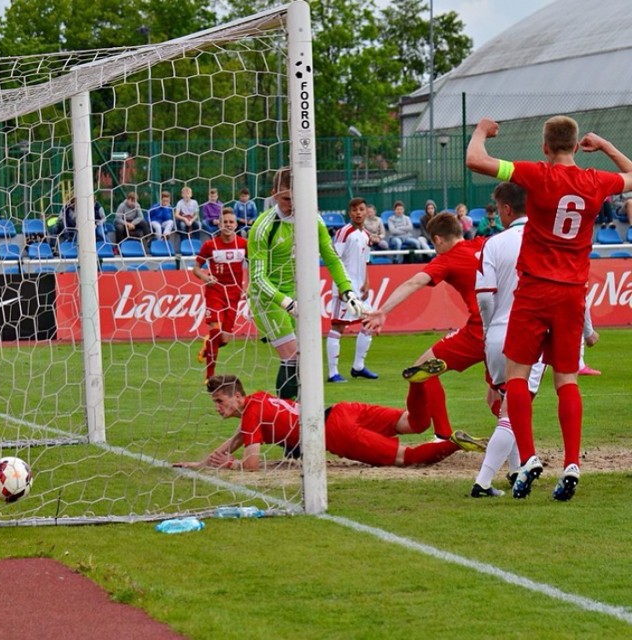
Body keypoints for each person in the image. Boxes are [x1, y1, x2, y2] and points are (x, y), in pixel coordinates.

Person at [466, 115, 632, 501]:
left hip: (536, 290)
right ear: (576, 147)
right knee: (567, 381)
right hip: (573, 294)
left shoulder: (536, 174)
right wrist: (606, 147)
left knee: (518, 376)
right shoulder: (596, 181)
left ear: (544, 147)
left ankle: (528, 459)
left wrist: (481, 131)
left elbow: (476, 160)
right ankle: (572, 462)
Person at [172, 375, 486, 471]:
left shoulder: (251, 413)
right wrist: (200, 462)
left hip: (334, 432)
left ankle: (451, 443)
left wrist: (229, 465)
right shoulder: (259, 399)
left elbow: (251, 463)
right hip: (343, 409)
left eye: (219, 401)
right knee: (413, 421)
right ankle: (418, 381)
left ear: (236, 397)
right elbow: (240, 437)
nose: (216, 408)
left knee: (407, 457)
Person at [364, 213, 487, 443]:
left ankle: (441, 434)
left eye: (433, 243)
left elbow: (414, 282)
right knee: (499, 395)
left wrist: (382, 311)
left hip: (480, 330)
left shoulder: (447, 258)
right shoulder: (483, 243)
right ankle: (516, 447)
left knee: (421, 369)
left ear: (438, 239)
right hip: (509, 327)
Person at [247, 167, 364, 403]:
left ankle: (295, 414)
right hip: (269, 299)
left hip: (298, 295)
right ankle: (285, 416)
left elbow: (331, 256)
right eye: (286, 199)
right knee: (293, 357)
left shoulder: (313, 219)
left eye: (298, 198)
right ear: (273, 195)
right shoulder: (263, 227)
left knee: (305, 360)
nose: (293, 204)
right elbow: (257, 279)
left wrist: (347, 289)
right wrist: (287, 302)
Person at [472, 182, 547, 497]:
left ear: (505, 209)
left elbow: (485, 298)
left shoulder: (493, 243)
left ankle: (517, 471)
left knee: (510, 406)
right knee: (513, 412)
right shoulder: (546, 242)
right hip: (530, 334)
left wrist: (490, 331)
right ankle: (482, 482)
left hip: (497, 333)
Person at [327, 197, 378, 383]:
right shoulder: (343, 233)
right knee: (338, 327)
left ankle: (358, 367)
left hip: (360, 287)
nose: (358, 212)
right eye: (354, 209)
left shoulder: (365, 235)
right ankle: (333, 373)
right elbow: (335, 260)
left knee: (369, 323)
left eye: (361, 209)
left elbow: (365, 261)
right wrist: (341, 285)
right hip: (345, 287)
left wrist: (367, 282)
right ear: (350, 213)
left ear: (367, 211)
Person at [193, 208, 248, 382]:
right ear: (219, 223)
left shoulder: (244, 244)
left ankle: (207, 345)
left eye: (231, 222)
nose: (228, 225)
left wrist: (250, 287)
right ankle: (210, 376)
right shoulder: (210, 245)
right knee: (215, 331)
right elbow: (195, 268)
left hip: (234, 293)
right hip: (215, 291)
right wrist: (205, 277)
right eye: (225, 222)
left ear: (236, 224)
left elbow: (254, 266)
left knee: (223, 339)